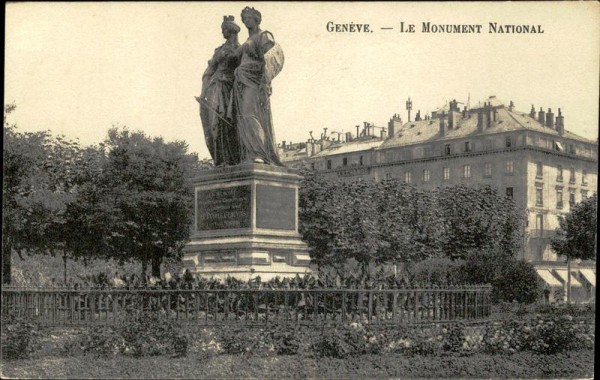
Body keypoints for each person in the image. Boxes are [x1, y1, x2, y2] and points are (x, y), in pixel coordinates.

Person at [229, 7, 284, 165]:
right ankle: (249, 154)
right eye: (244, 18)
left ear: (257, 19)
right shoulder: (247, 40)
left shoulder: (263, 35)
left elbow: (270, 58)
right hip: (241, 81)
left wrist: (265, 82)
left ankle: (258, 152)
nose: (246, 21)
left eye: (249, 18)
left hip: (254, 81)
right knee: (242, 118)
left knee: (250, 115)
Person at [197, 16, 242, 166]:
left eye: (224, 29)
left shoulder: (241, 50)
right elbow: (209, 71)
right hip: (215, 89)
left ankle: (231, 159)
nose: (222, 32)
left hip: (232, 90)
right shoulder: (219, 50)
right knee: (216, 122)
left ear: (231, 30)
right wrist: (203, 93)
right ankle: (220, 159)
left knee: (230, 123)